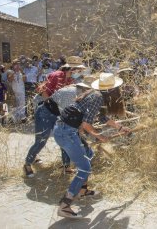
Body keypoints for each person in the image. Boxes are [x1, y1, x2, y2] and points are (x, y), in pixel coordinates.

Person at [55, 73, 130, 219]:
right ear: (112, 91)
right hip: (67, 132)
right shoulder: (97, 97)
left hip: (66, 130)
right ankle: (65, 205)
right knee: (84, 168)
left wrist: (120, 128)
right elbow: (86, 124)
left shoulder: (96, 95)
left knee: (89, 154)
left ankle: (82, 190)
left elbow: (103, 118)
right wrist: (99, 136)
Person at [23, 56, 86, 177]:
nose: (80, 72)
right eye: (78, 70)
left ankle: (65, 166)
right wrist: (52, 104)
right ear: (72, 68)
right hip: (45, 110)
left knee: (64, 137)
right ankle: (27, 164)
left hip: (59, 111)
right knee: (41, 140)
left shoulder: (72, 81)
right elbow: (43, 90)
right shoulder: (56, 75)